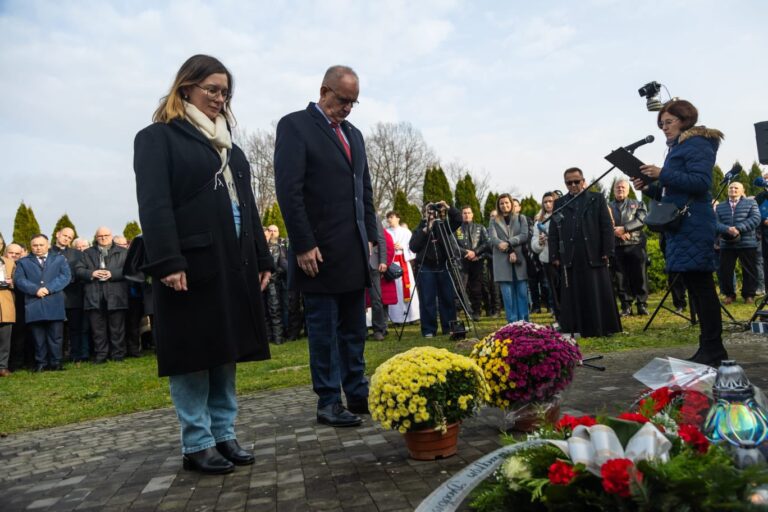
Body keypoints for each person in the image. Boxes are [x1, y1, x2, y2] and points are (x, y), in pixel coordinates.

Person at [134, 54, 273, 474]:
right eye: (211, 89)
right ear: (186, 88)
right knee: (193, 352)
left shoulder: (232, 147)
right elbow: (154, 204)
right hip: (188, 265)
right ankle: (196, 442)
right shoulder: (158, 138)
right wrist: (168, 260)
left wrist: (263, 257)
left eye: (224, 92)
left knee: (224, 349)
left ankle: (224, 434)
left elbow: (246, 205)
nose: (218, 98)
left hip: (232, 262)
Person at [275, 65, 377, 428]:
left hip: (352, 250)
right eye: (342, 100)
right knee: (324, 329)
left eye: (353, 102)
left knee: (353, 328)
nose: (347, 108)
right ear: (323, 90)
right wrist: (303, 243)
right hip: (317, 253)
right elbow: (289, 190)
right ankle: (329, 401)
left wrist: (371, 238)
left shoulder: (355, 135)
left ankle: (358, 391)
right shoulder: (295, 126)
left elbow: (362, 190)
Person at [634, 99, 726, 366]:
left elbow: (701, 182)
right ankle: (709, 347)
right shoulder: (678, 147)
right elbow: (672, 192)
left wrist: (663, 173)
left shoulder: (697, 143)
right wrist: (649, 186)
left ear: (685, 119)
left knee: (702, 287)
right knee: (696, 288)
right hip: (682, 226)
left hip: (694, 223)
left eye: (669, 122)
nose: (664, 127)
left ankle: (714, 349)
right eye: (661, 123)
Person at [549, 168, 622, 337]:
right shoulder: (560, 203)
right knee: (575, 292)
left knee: (597, 291)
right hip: (571, 255)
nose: (573, 185)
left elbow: (606, 226)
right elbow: (553, 231)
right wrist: (555, 255)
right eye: (569, 182)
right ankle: (577, 327)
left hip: (594, 253)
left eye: (576, 181)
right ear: (565, 183)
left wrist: (607, 249)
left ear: (583, 180)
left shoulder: (596, 198)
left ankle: (602, 327)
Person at [13, 234, 71, 371]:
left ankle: (56, 363)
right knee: (38, 338)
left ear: (48, 245)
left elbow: (65, 276)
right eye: (35, 245)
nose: (38, 248)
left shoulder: (59, 259)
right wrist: (35, 290)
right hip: (34, 303)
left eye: (41, 245)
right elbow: (20, 280)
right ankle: (41, 363)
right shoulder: (23, 262)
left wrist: (49, 289)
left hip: (54, 302)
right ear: (30, 246)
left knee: (56, 336)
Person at [409, 201, 463, 337]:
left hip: (443, 266)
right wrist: (425, 230)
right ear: (424, 213)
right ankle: (428, 330)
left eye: (433, 210)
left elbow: (458, 220)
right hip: (426, 268)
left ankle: (449, 327)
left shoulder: (443, 225)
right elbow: (413, 247)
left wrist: (448, 207)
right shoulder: (418, 228)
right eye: (428, 210)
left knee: (447, 298)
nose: (431, 213)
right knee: (427, 300)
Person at [76, 227, 129, 363]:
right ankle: (101, 355)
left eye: (106, 235)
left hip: (116, 295)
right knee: (97, 329)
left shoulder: (123, 252)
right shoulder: (86, 253)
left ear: (111, 236)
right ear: (96, 238)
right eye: (100, 236)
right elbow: (78, 270)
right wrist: (91, 273)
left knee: (117, 328)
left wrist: (113, 274)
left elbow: (130, 270)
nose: (103, 238)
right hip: (94, 296)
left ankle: (118, 354)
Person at [714, 181, 760, 304]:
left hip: (747, 242)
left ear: (742, 191)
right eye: (731, 187)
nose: (733, 190)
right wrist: (727, 229)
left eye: (736, 188)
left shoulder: (751, 203)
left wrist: (738, 228)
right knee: (725, 270)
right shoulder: (720, 206)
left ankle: (749, 295)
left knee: (749, 269)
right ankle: (729, 294)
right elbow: (715, 223)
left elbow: (756, 218)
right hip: (726, 242)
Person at [610, 179, 650, 316]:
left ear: (628, 190)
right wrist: (618, 232)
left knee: (640, 276)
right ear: (614, 190)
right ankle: (626, 306)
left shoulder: (638, 203)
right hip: (616, 247)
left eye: (623, 187)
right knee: (620, 278)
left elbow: (641, 220)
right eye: (617, 187)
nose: (620, 189)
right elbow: (603, 223)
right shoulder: (607, 206)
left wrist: (625, 229)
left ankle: (642, 305)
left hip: (636, 245)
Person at [488, 195, 530, 323]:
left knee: (522, 293)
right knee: (507, 295)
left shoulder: (521, 218)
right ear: (498, 205)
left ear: (511, 203)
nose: (504, 205)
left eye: (507, 202)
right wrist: (507, 248)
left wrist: (509, 243)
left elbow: (524, 235)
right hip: (502, 261)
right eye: (501, 203)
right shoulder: (494, 220)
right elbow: (493, 239)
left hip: (519, 261)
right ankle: (512, 324)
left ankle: (524, 322)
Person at [50, 227, 88, 362]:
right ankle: (56, 357)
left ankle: (76, 355)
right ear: (57, 234)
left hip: (74, 296)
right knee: (55, 330)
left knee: (75, 328)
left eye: (69, 237)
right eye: (64, 235)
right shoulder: (47, 252)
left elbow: (81, 272)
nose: (66, 238)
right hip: (53, 296)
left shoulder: (77, 254)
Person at [385, 211, 420, 324]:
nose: (390, 220)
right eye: (388, 218)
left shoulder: (406, 232)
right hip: (392, 264)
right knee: (394, 289)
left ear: (398, 218)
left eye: (392, 217)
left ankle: (412, 317)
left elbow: (412, 246)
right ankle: (396, 318)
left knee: (408, 288)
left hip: (404, 262)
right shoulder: (386, 232)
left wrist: (402, 247)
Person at [456, 206, 489, 321]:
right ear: (461, 215)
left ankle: (476, 312)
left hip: (477, 262)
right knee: (460, 288)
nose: (467, 215)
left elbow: (486, 243)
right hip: (462, 262)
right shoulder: (457, 229)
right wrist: (466, 252)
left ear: (472, 214)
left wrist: (475, 253)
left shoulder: (480, 228)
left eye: (469, 213)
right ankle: (459, 312)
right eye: (464, 213)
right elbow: (454, 245)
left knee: (476, 288)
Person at [531, 192, 560, 320]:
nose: (548, 204)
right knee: (552, 289)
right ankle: (558, 315)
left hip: (563, 259)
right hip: (547, 259)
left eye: (550, 201)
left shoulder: (562, 216)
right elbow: (534, 244)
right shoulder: (540, 221)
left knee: (564, 288)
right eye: (545, 202)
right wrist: (540, 243)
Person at [0, 248, 15, 376]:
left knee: (5, 339)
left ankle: (3, 367)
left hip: (6, 304)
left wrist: (11, 283)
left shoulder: (9, 262)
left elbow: (18, 281)